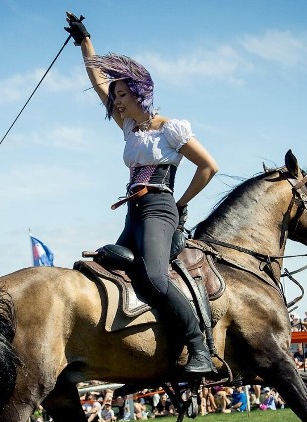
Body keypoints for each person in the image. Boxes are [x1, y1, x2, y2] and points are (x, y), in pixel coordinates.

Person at [67, 14, 218, 374]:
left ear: (137, 93)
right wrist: (85, 42)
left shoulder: (171, 129)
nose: (115, 102)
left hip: (160, 208)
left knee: (153, 277)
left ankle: (198, 346)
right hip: (134, 211)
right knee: (106, 267)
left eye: (121, 95)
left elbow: (209, 167)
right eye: (115, 96)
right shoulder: (131, 128)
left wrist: (181, 205)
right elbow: (99, 82)